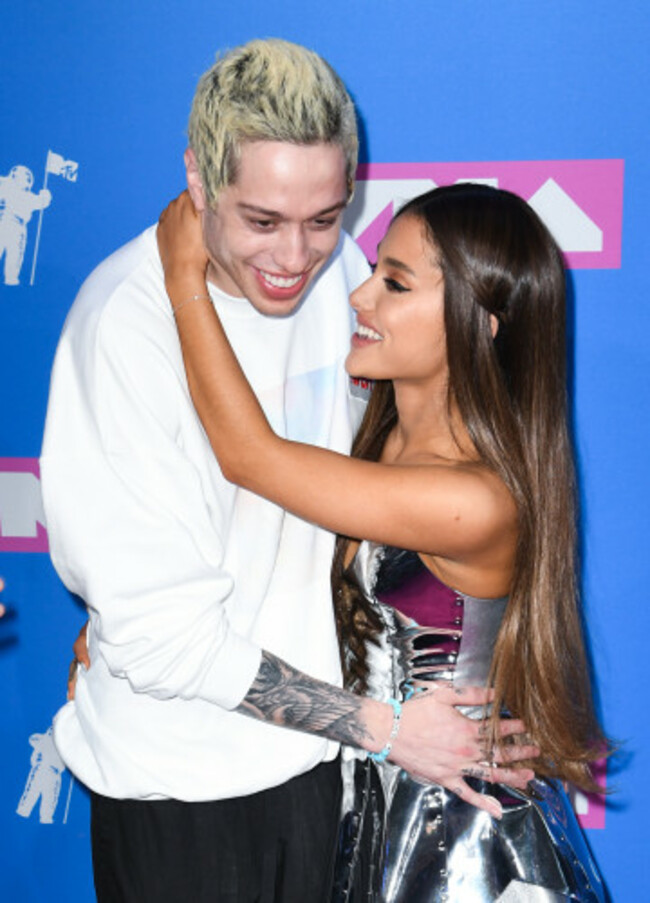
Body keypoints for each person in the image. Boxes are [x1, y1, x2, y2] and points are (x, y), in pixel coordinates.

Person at [42, 40, 534, 903]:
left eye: (325, 216)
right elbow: (164, 634)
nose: (298, 257)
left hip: (336, 781)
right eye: (262, 221)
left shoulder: (347, 277)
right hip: (189, 792)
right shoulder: (128, 325)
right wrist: (384, 728)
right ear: (196, 181)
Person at [155, 182, 608, 901]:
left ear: (479, 321)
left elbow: (249, 456)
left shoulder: (475, 498)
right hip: (382, 810)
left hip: (467, 844)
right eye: (372, 271)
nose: (359, 298)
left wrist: (183, 278)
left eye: (394, 283)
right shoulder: (377, 432)